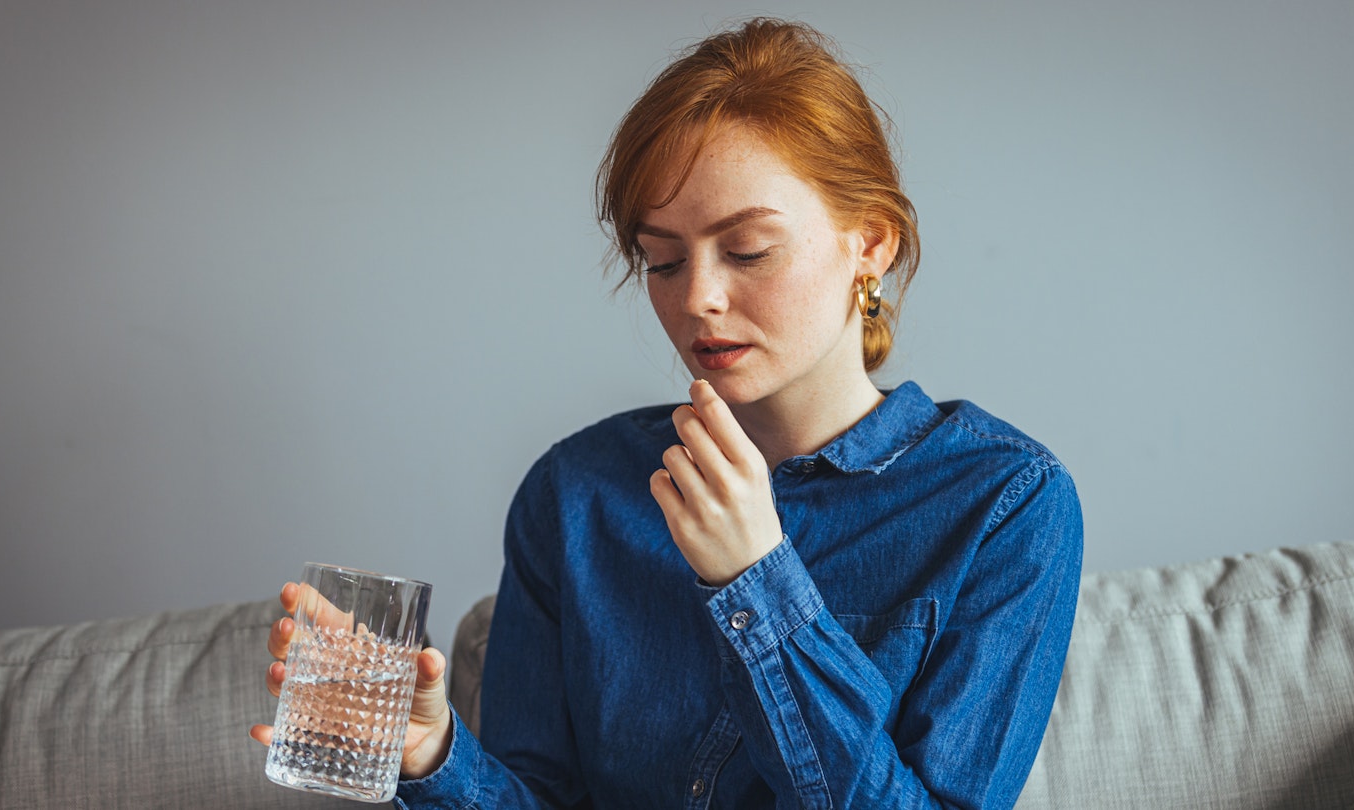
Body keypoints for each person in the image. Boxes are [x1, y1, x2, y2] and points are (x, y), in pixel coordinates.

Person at [253, 17, 1082, 809]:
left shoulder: (1006, 505)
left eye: (748, 250)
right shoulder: (576, 494)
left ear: (870, 243)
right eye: (662, 260)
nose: (700, 298)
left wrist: (757, 581)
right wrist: (431, 756)